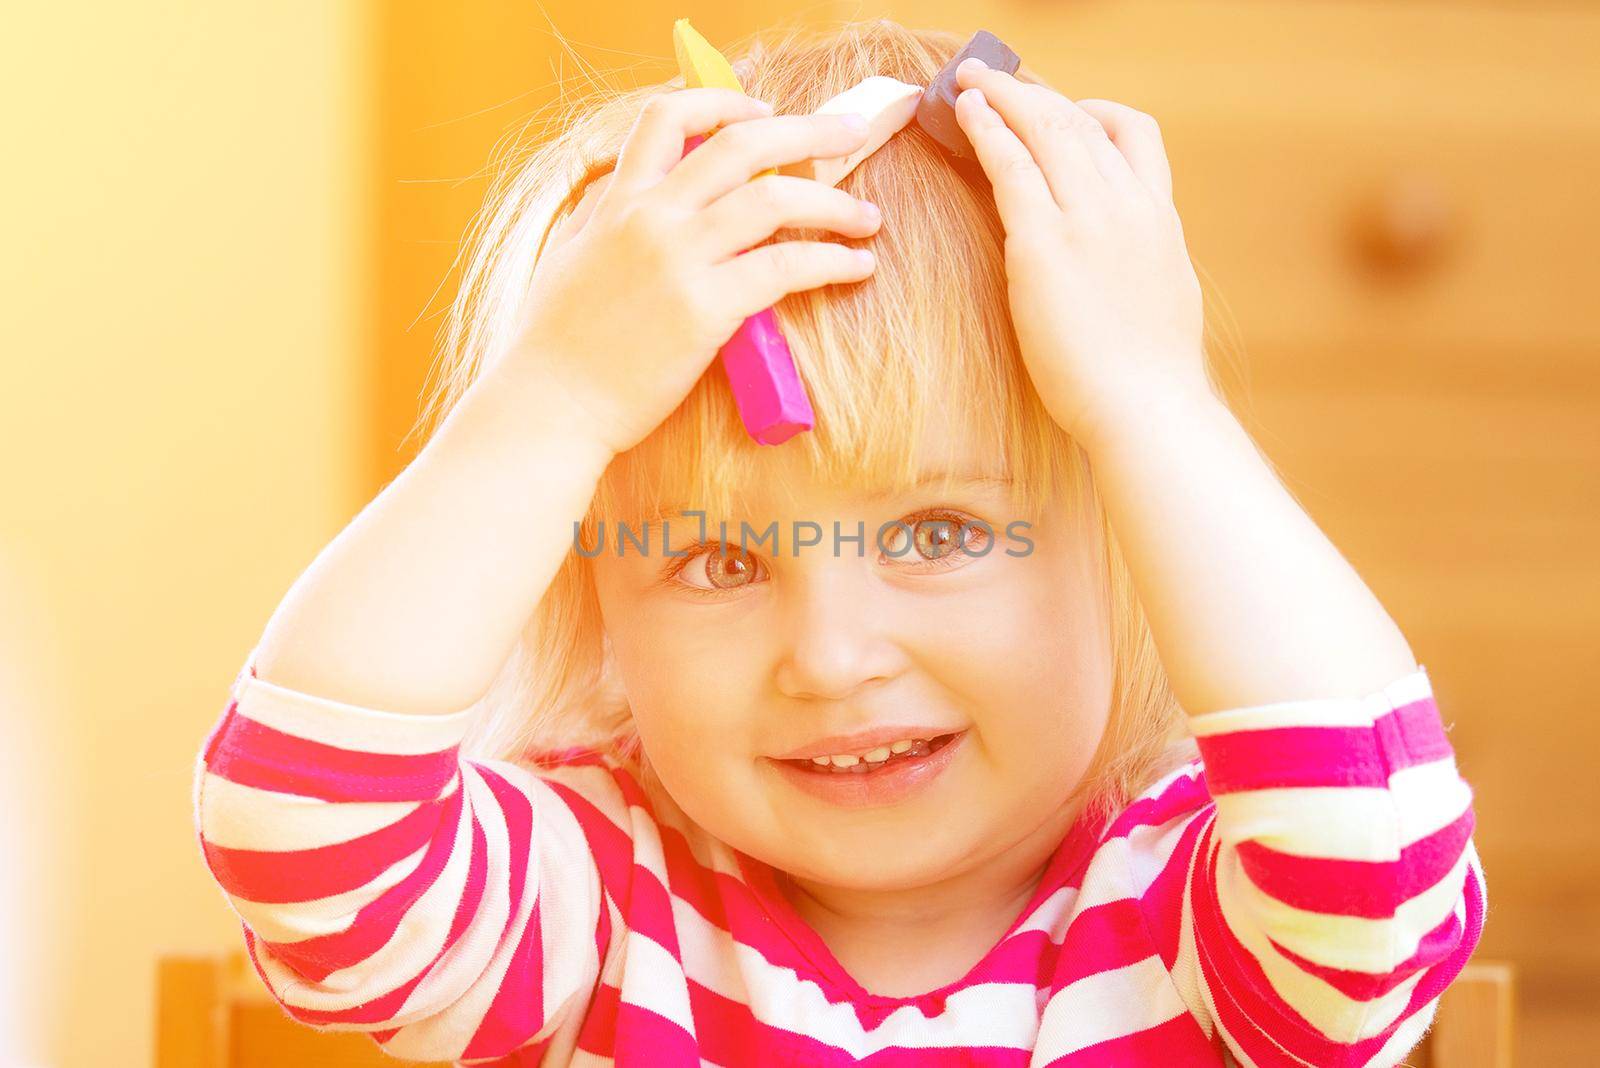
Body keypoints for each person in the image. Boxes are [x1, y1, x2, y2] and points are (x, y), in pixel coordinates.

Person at [192, 20, 1484, 1066]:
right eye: (715, 563)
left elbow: (1379, 855)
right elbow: (303, 834)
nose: (833, 656)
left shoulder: (1198, 927)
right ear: (594, 601)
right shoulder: (591, 908)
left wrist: (1154, 405)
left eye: (940, 531)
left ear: (1136, 540)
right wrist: (555, 402)